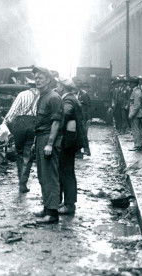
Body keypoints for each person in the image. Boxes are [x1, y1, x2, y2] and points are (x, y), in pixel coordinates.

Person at [32, 66, 63, 224]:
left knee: (50, 176)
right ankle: (46, 207)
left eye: (41, 78)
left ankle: (52, 213)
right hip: (40, 138)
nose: (37, 80)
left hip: (48, 139)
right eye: (36, 78)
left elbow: (56, 123)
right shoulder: (42, 96)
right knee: (42, 175)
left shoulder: (54, 97)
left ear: (49, 80)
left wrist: (50, 144)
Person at [55, 78, 90, 215]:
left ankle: (69, 205)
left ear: (62, 87)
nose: (56, 87)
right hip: (72, 140)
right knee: (66, 171)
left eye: (58, 85)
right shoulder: (72, 98)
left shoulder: (68, 100)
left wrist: (57, 122)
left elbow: (66, 113)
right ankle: (67, 202)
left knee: (66, 172)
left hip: (68, 141)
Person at [3, 79, 39, 193]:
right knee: (28, 154)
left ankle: (20, 182)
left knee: (19, 153)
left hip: (20, 125)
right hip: (34, 125)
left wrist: (5, 123)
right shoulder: (42, 96)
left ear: (28, 85)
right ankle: (24, 182)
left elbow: (12, 112)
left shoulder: (22, 94)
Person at [128, 76, 142, 152]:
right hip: (138, 113)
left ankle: (137, 145)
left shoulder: (136, 92)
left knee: (136, 130)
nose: (129, 84)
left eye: (131, 83)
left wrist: (131, 115)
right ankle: (140, 145)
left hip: (136, 114)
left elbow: (137, 105)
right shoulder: (137, 91)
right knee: (139, 129)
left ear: (134, 83)